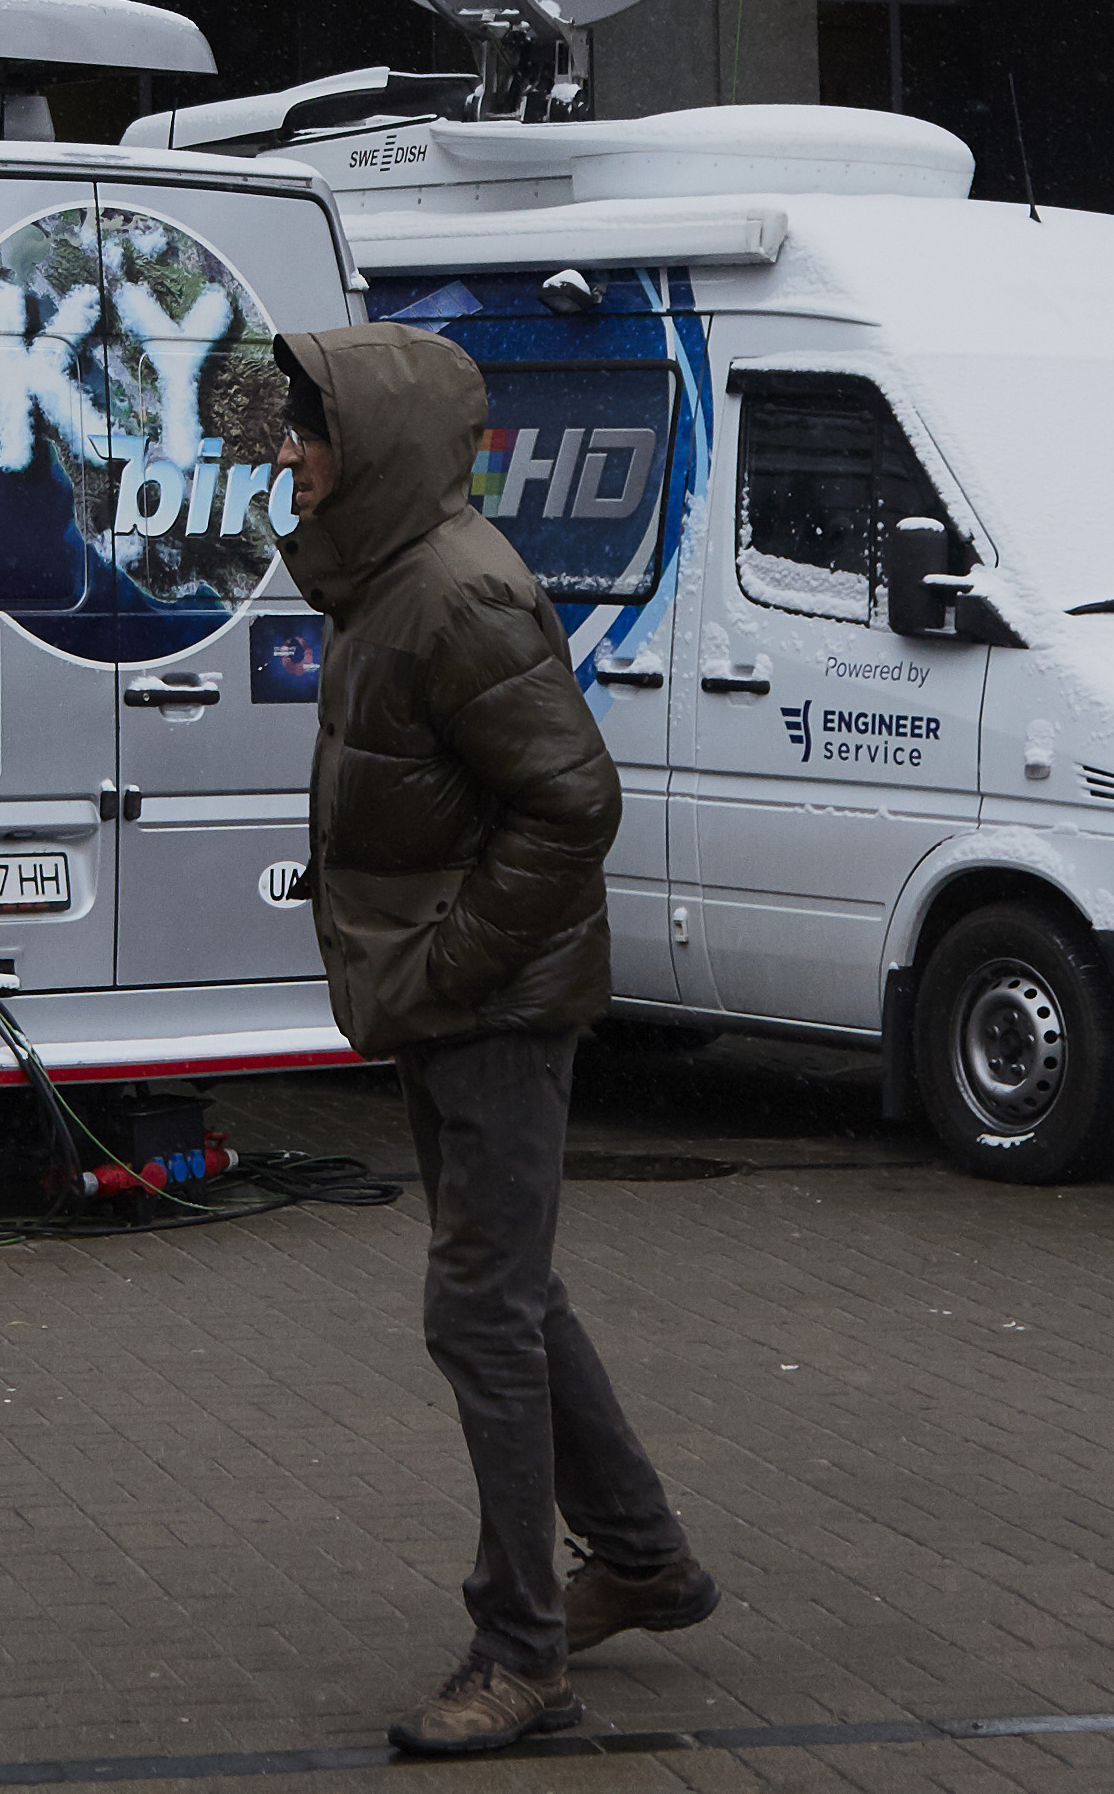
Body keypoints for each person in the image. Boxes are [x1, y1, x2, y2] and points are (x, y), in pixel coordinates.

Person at [271, 324, 708, 1753]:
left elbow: (574, 803)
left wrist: (454, 961)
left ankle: (523, 1657)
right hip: (449, 1001)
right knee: (511, 1298)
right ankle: (641, 1561)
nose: (287, 452)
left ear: (375, 446)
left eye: (309, 429)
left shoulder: (460, 598)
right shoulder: (387, 580)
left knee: (481, 1312)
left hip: (496, 1008)